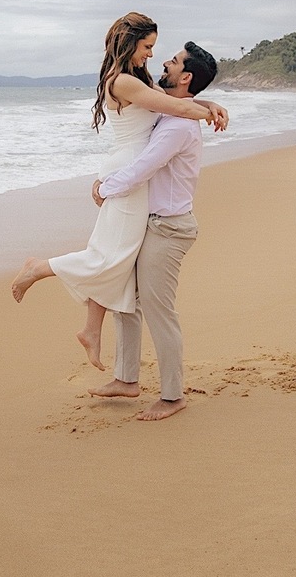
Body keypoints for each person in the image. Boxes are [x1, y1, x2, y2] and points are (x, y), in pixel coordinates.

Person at [11, 13, 226, 372]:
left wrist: (209, 105)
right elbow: (174, 106)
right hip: (128, 175)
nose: (152, 55)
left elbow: (171, 100)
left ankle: (92, 331)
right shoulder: (123, 81)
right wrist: (208, 110)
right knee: (109, 256)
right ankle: (40, 268)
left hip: (129, 174)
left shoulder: (137, 78)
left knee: (118, 258)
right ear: (131, 42)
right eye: (148, 46)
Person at [88, 41, 218, 420]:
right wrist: (210, 104)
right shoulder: (170, 112)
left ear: (186, 77)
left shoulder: (177, 127)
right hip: (152, 222)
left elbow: (143, 167)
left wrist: (104, 188)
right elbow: (159, 103)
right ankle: (126, 378)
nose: (164, 62)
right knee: (127, 298)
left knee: (160, 312)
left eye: (173, 61)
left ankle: (173, 396)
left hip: (169, 229)